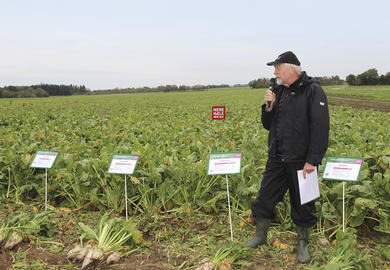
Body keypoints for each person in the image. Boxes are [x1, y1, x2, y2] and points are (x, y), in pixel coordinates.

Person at [245, 51, 330, 264]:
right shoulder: (277, 91)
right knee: (264, 198)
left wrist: (312, 160)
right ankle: (260, 236)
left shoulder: (313, 91)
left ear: (291, 68)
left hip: (302, 161)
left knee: (303, 204)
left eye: (277, 67)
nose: (274, 72)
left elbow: (320, 128)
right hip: (276, 157)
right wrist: (268, 106)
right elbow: (267, 124)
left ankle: (302, 242)